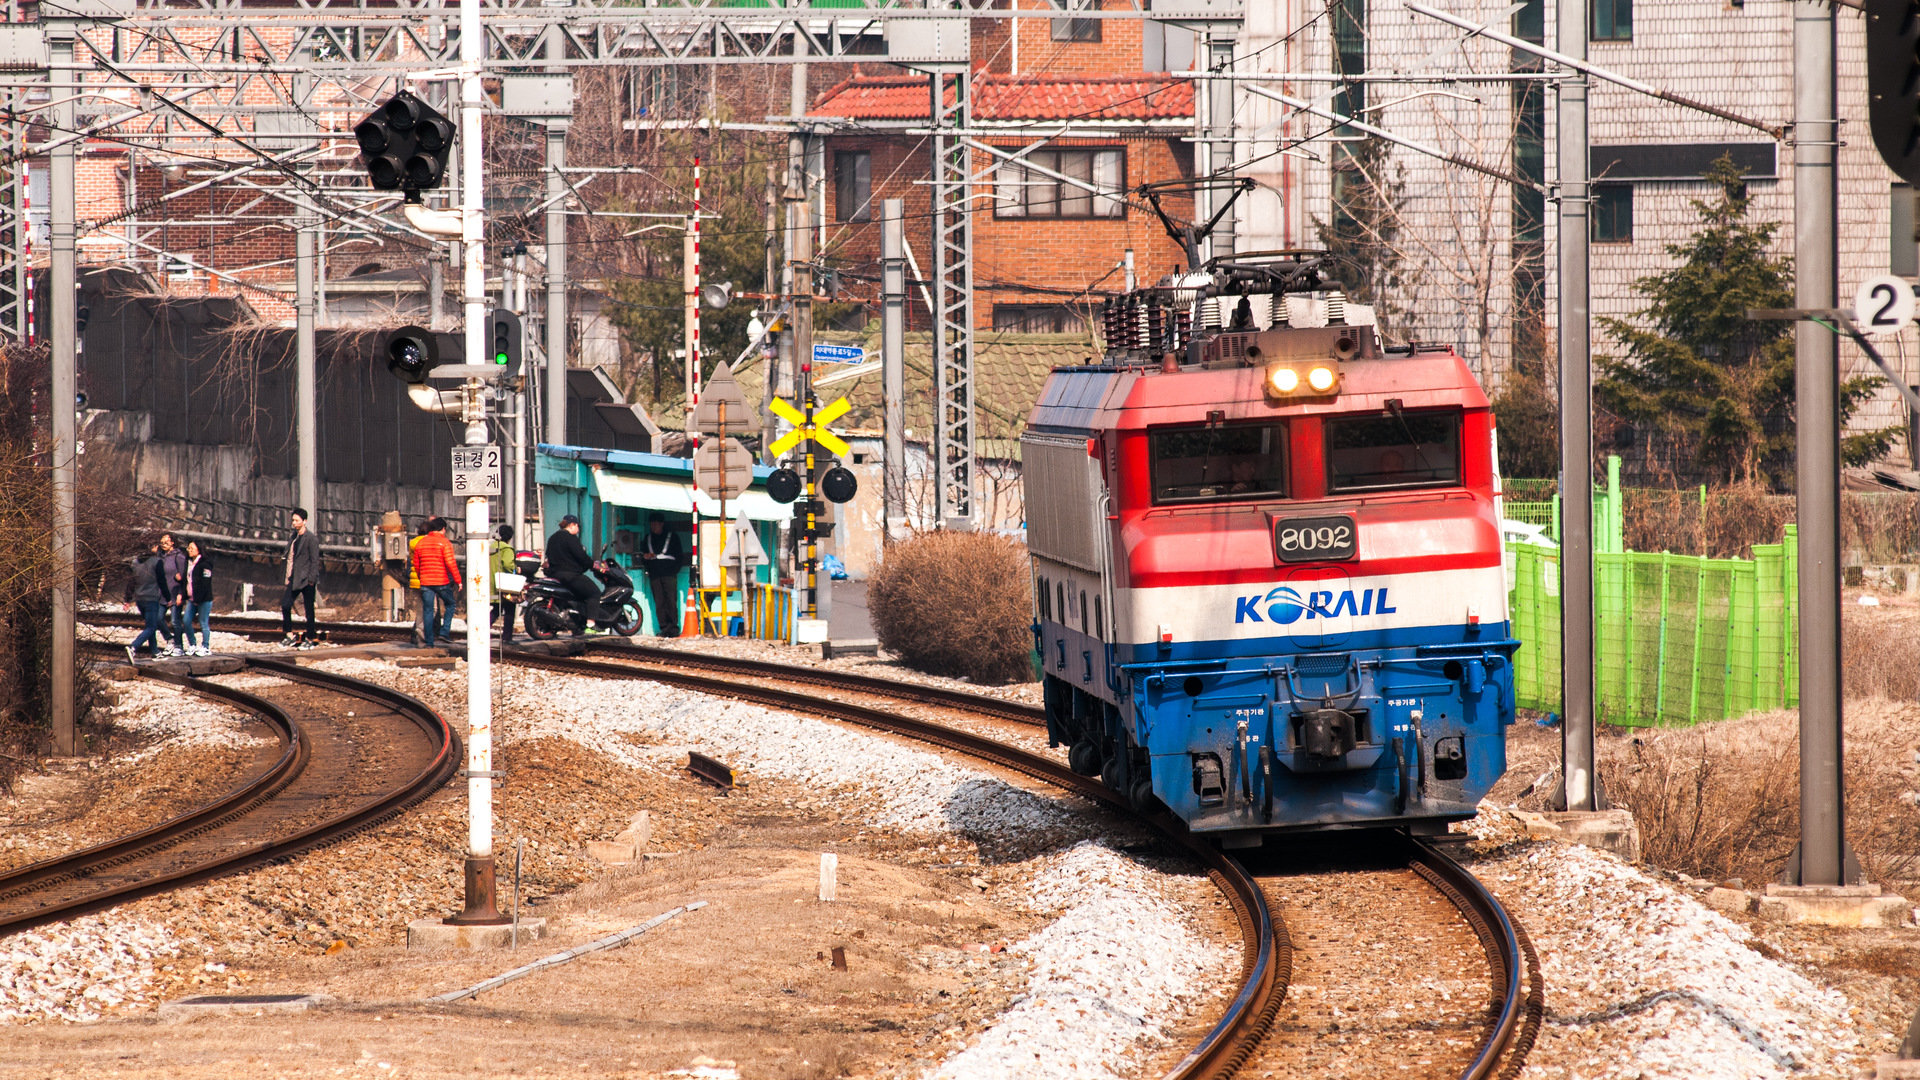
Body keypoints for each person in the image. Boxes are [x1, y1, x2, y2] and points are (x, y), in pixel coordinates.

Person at [544, 513, 602, 637]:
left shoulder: (552, 538)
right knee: (594, 593)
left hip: (555, 575)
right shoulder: (571, 538)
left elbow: (548, 555)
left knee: (577, 596)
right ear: (572, 525)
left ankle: (577, 626)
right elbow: (581, 556)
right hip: (570, 575)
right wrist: (593, 565)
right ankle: (591, 624)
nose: (578, 530)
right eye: (578, 526)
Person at [413, 516, 461, 648]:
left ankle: (429, 642)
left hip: (426, 582)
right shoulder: (445, 543)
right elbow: (450, 563)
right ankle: (444, 632)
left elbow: (417, 564)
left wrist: (421, 576)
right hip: (441, 581)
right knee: (450, 604)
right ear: (443, 529)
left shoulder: (421, 543)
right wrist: (458, 580)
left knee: (428, 611)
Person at [636, 517, 684, 637]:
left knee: (671, 601)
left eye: (656, 524)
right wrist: (645, 559)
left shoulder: (672, 537)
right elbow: (642, 555)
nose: (653, 526)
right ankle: (663, 628)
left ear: (662, 524)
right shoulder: (648, 538)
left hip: (669, 574)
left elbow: (679, 557)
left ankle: (673, 628)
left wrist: (674, 571)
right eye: (652, 524)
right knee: (659, 602)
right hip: (655, 575)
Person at [280, 508, 320, 648]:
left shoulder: (311, 539)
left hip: (306, 580)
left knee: (309, 610)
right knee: (285, 605)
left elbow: (315, 561)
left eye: (297, 520)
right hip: (294, 578)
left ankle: (310, 638)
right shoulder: (294, 537)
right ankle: (290, 635)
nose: (294, 523)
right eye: (293, 520)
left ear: (304, 521)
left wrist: (311, 580)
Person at [123, 540, 165, 662]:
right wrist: (168, 598)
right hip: (152, 599)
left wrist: (127, 599)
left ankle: (155, 651)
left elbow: (131, 582)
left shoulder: (135, 563)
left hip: (140, 600)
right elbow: (162, 582)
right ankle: (133, 647)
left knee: (149, 625)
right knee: (151, 627)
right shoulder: (157, 562)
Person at [157, 532, 188, 657]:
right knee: (158, 618)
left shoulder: (179, 557)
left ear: (172, 542)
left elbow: (184, 576)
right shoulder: (161, 557)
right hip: (162, 594)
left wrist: (181, 593)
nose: (164, 545)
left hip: (175, 593)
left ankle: (179, 646)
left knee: (175, 621)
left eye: (166, 542)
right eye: (162, 543)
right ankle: (170, 639)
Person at [183, 539, 215, 657]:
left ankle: (205, 646)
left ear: (198, 549)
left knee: (203, 623)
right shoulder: (189, 563)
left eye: (191, 548)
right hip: (192, 599)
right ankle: (192, 644)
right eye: (188, 548)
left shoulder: (205, 564)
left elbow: (205, 583)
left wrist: (199, 598)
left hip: (203, 599)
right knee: (186, 621)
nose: (189, 551)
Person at [489, 524, 518, 644]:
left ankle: (481, 630)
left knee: (496, 609)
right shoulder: (507, 549)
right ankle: (507, 637)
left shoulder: (491, 548)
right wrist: (516, 568)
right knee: (510, 609)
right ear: (510, 537)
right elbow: (507, 565)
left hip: (492, 583)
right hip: (505, 584)